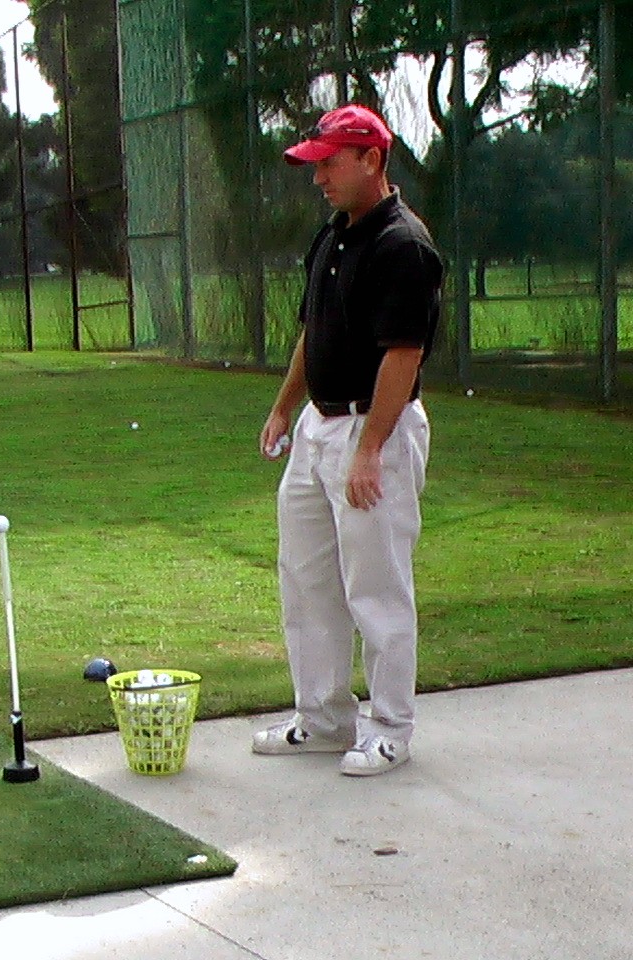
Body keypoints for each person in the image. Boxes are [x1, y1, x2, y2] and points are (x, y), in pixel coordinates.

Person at [252, 105, 443, 776]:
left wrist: (369, 451)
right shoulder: (335, 236)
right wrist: (284, 409)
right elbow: (316, 332)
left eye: (330, 162)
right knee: (305, 579)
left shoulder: (404, 246)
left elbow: (403, 354)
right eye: (316, 163)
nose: (319, 176)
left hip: (375, 431)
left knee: (377, 586)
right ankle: (325, 718)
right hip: (317, 429)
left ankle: (389, 728)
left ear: (372, 158)